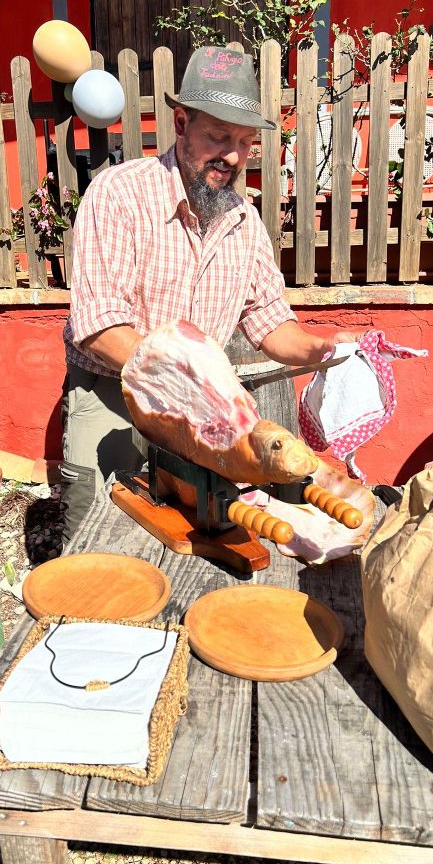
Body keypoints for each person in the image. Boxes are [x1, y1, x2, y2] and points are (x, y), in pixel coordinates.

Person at [60, 45, 361, 540]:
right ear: (180, 123)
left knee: (202, 530)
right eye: (218, 136)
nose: (233, 156)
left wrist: (326, 350)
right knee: (100, 535)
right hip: (113, 392)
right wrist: (190, 383)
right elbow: (99, 327)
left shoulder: (245, 221)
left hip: (202, 408)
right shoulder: (118, 193)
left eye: (244, 142)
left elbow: (268, 321)